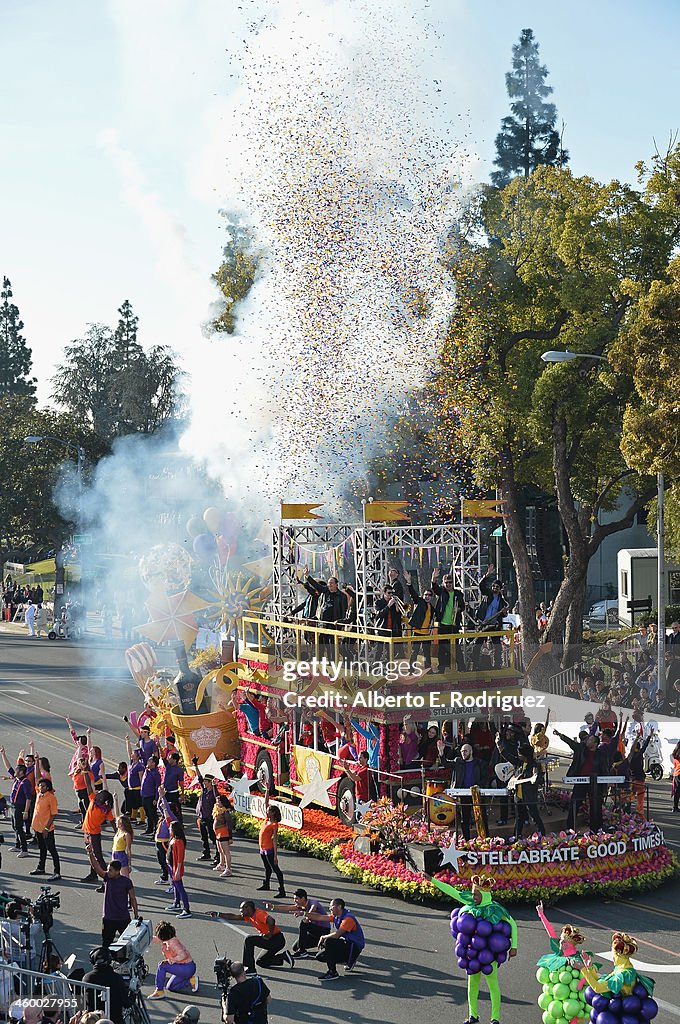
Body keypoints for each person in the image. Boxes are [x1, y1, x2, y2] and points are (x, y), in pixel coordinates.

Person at [429, 873, 517, 1024]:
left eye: (477, 894)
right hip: (472, 954)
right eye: (473, 893)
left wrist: (514, 946)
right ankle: (473, 1016)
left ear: (484, 894)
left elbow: (513, 924)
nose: (473, 896)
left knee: (493, 984)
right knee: (472, 984)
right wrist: (431, 880)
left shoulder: (495, 909)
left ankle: (495, 1018)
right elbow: (451, 891)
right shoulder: (470, 903)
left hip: (489, 954)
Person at [210, 902, 294, 970]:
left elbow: (271, 920)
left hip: (276, 939)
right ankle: (283, 956)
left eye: (242, 909)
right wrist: (218, 914)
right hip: (272, 940)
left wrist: (270, 933)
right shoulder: (250, 916)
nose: (240, 911)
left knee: (249, 940)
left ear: (248, 908)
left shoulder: (259, 914)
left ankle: (249, 968)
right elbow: (234, 917)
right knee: (261, 962)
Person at [85, 851, 139, 947]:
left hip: (123, 919)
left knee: (127, 944)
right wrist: (90, 853)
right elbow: (96, 867)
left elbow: (133, 898)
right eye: (108, 869)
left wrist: (136, 915)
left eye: (110, 870)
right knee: (106, 944)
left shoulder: (126, 882)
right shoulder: (107, 878)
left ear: (118, 871)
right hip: (108, 919)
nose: (108, 872)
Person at [306, 897, 366, 981]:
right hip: (346, 943)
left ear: (339, 907)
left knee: (329, 941)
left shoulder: (348, 918)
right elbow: (320, 917)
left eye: (331, 906)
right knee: (320, 956)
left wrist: (323, 937)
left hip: (354, 946)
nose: (330, 908)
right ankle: (349, 959)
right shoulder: (337, 916)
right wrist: (304, 914)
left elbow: (337, 935)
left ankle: (332, 972)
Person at [267, 888, 331, 958]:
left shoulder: (313, 903)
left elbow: (312, 910)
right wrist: (273, 906)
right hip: (314, 932)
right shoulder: (301, 906)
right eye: (294, 898)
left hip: (323, 930)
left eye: (296, 898)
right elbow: (288, 907)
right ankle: (322, 943)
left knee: (304, 924)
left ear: (303, 898)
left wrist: (304, 915)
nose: (295, 901)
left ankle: (302, 952)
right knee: (295, 947)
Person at [148, 920, 198, 999]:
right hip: (184, 967)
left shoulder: (173, 943)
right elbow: (156, 939)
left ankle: (159, 991)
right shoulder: (167, 938)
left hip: (186, 967)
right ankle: (191, 981)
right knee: (170, 987)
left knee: (162, 966)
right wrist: (147, 936)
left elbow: (183, 955)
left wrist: (171, 960)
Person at [473, 566, 509, 670]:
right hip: (484, 623)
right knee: (478, 644)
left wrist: (504, 612)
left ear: (500, 589)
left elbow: (504, 614)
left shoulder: (502, 601)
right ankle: (475, 664)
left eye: (497, 587)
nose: (494, 588)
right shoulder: (488, 594)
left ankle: (497, 665)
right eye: (493, 586)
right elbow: (481, 586)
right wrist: (487, 575)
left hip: (494, 625)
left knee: (497, 646)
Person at [81, 774, 115, 883]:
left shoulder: (106, 809)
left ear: (103, 799)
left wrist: (118, 833)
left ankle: (107, 878)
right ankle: (93, 874)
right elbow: (88, 786)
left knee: (98, 857)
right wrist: (85, 772)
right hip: (87, 833)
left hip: (94, 834)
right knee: (92, 855)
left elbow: (113, 822)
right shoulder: (93, 800)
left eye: (100, 794)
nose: (97, 793)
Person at [450, 742, 488, 840]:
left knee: (481, 817)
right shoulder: (458, 762)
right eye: (462, 751)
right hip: (464, 794)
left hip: (476, 793)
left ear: (471, 752)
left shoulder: (480, 763)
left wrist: (479, 786)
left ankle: (485, 838)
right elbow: (446, 764)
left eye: (465, 751)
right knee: (464, 818)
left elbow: (485, 778)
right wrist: (441, 753)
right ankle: (466, 839)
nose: (463, 753)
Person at [431, 567, 466, 672]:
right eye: (446, 583)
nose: (448, 584)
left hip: (453, 624)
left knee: (456, 647)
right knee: (442, 648)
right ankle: (442, 667)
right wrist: (434, 578)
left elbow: (463, 606)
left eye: (450, 582)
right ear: (443, 583)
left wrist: (459, 608)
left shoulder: (458, 594)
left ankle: (461, 667)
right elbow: (434, 588)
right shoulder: (442, 592)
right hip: (442, 624)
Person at [82, 947, 128, 1024]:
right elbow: (126, 1003)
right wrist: (133, 993)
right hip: (116, 1020)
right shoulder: (116, 978)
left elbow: (83, 1001)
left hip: (92, 1020)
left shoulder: (87, 978)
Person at [0, 749, 32, 855]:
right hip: (13, 805)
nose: (15, 772)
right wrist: (3, 754)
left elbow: (28, 798)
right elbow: (8, 767)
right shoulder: (17, 779)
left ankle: (24, 849)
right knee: (14, 826)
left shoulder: (25, 782)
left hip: (20, 806)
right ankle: (17, 845)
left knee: (19, 827)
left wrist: (26, 811)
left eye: (17, 770)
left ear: (22, 772)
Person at [510, 745, 546, 838]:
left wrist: (535, 777)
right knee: (519, 818)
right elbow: (508, 757)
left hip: (529, 796)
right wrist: (499, 747)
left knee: (535, 816)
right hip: (518, 796)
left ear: (525, 755)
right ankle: (516, 836)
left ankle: (542, 835)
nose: (518, 755)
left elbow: (540, 780)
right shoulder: (520, 763)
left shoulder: (535, 765)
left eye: (520, 754)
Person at [29, 778, 60, 879]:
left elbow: (53, 814)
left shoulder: (51, 797)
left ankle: (57, 872)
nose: (41, 787)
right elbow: (37, 777)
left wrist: (46, 828)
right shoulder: (39, 794)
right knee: (42, 848)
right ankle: (41, 867)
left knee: (52, 850)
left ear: (48, 787)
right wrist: (37, 763)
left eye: (43, 786)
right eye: (40, 786)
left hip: (46, 829)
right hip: (37, 827)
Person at [405, 573, 436, 670]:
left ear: (432, 597)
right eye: (426, 595)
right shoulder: (420, 602)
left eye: (429, 595)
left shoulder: (431, 607)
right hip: (417, 632)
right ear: (423, 596)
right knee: (415, 651)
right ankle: (411, 669)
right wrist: (409, 582)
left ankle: (428, 668)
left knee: (427, 652)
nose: (427, 596)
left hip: (426, 633)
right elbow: (413, 594)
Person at [257, 790, 286, 897]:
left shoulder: (274, 824)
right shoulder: (267, 820)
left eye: (269, 811)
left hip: (269, 849)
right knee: (267, 868)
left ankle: (282, 889)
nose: (266, 812)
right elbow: (266, 803)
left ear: (273, 813)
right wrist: (267, 791)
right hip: (262, 848)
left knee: (276, 869)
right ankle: (267, 883)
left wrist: (275, 855)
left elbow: (274, 839)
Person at [192, 757, 218, 863]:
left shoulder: (213, 793)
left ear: (210, 783)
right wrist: (195, 766)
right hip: (202, 817)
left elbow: (217, 799)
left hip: (210, 818)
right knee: (203, 837)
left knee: (213, 837)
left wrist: (215, 786)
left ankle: (218, 855)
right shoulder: (204, 790)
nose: (204, 783)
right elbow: (199, 777)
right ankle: (206, 853)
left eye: (206, 781)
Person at [166, 820, 192, 918]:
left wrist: (177, 870)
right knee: (175, 886)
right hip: (171, 866)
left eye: (170, 828)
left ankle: (187, 909)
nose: (169, 829)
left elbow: (180, 858)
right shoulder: (173, 839)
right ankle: (176, 903)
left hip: (176, 867)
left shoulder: (179, 841)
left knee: (180, 887)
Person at [212, 791, 234, 877]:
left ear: (223, 802)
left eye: (219, 801)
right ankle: (221, 864)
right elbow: (215, 794)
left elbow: (229, 825)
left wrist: (230, 837)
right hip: (218, 833)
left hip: (223, 833)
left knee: (226, 852)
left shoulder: (226, 812)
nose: (217, 803)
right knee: (220, 851)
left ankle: (228, 869)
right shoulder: (218, 810)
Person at [140, 755, 161, 835]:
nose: (147, 762)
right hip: (144, 795)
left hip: (151, 796)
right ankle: (149, 829)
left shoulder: (156, 774)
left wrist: (156, 798)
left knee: (153, 815)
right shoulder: (147, 770)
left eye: (149, 761)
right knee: (148, 814)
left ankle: (157, 831)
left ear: (153, 763)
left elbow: (157, 787)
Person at [111, 813, 134, 877]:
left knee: (124, 876)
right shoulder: (118, 831)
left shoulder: (126, 834)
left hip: (121, 855)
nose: (116, 822)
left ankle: (127, 887)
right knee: (113, 875)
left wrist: (129, 864)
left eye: (117, 822)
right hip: (114, 854)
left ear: (122, 824)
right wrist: (115, 802)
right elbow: (116, 813)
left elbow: (128, 849)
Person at [672, 740, 680, 813]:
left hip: (676, 773)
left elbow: (675, 765)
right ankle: (675, 807)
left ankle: (675, 807)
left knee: (677, 791)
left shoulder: (675, 754)